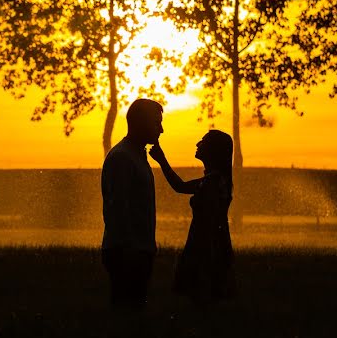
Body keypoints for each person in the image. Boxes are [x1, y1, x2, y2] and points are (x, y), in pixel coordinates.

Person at [149, 130, 237, 303]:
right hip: (213, 243)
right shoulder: (215, 180)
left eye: (203, 141)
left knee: (203, 296)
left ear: (213, 150)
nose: (198, 144)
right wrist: (161, 159)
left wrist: (162, 160)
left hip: (206, 244)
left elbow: (181, 188)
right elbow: (180, 186)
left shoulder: (212, 182)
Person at [100, 98, 163, 311]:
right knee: (128, 312)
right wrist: (130, 249)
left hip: (137, 248)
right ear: (141, 123)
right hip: (127, 251)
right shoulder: (122, 158)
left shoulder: (134, 155)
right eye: (157, 123)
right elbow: (117, 208)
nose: (161, 130)